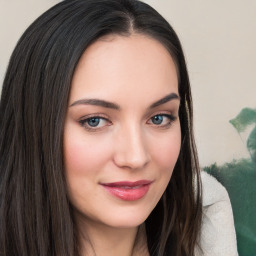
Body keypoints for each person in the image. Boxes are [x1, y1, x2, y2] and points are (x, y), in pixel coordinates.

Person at [0, 0, 238, 255]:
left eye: (159, 118)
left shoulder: (210, 230)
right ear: (33, 127)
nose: (136, 157)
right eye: (95, 120)